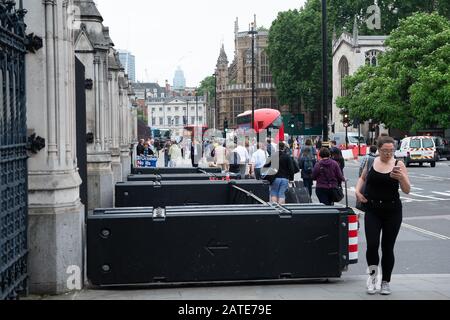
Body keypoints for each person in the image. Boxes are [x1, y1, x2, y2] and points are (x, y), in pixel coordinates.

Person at [356, 136, 411, 296]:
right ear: (378, 150)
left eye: (391, 151)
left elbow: (407, 189)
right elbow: (362, 178)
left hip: (392, 210)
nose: (388, 154)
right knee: (372, 245)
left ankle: (385, 281)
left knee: (388, 247)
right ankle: (373, 279)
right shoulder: (371, 162)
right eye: (385, 151)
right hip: (372, 209)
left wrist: (401, 178)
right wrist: (358, 192)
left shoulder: (398, 164)